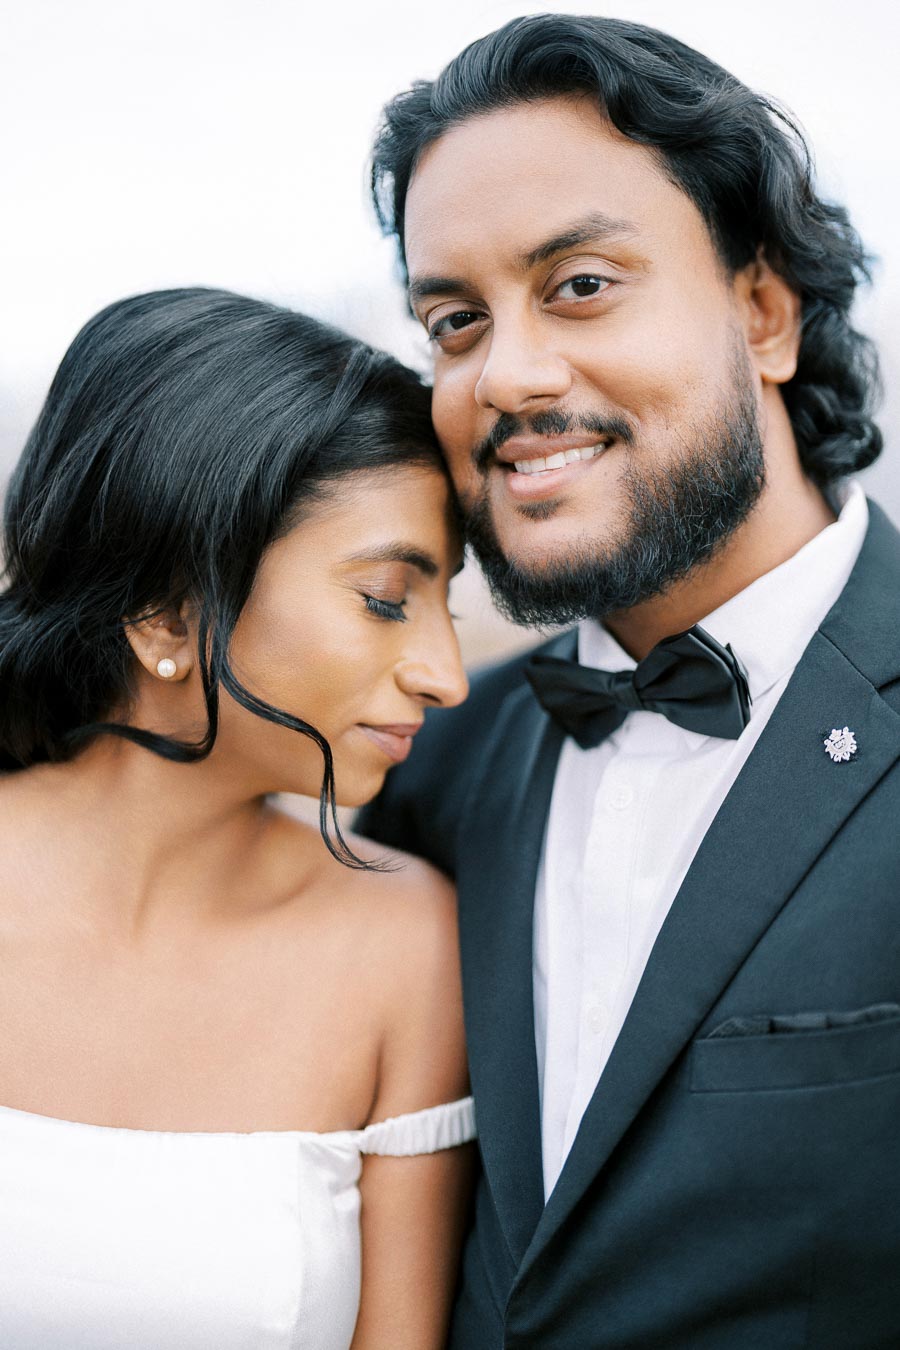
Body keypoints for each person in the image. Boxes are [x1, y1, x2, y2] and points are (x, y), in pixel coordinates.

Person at [358, 15, 900, 1348]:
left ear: (764, 312)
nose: (508, 375)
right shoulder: (423, 770)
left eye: (582, 284)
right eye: (455, 321)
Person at [0, 287, 475, 1350]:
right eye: (387, 598)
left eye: (447, 602)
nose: (446, 676)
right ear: (168, 611)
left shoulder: (406, 949)